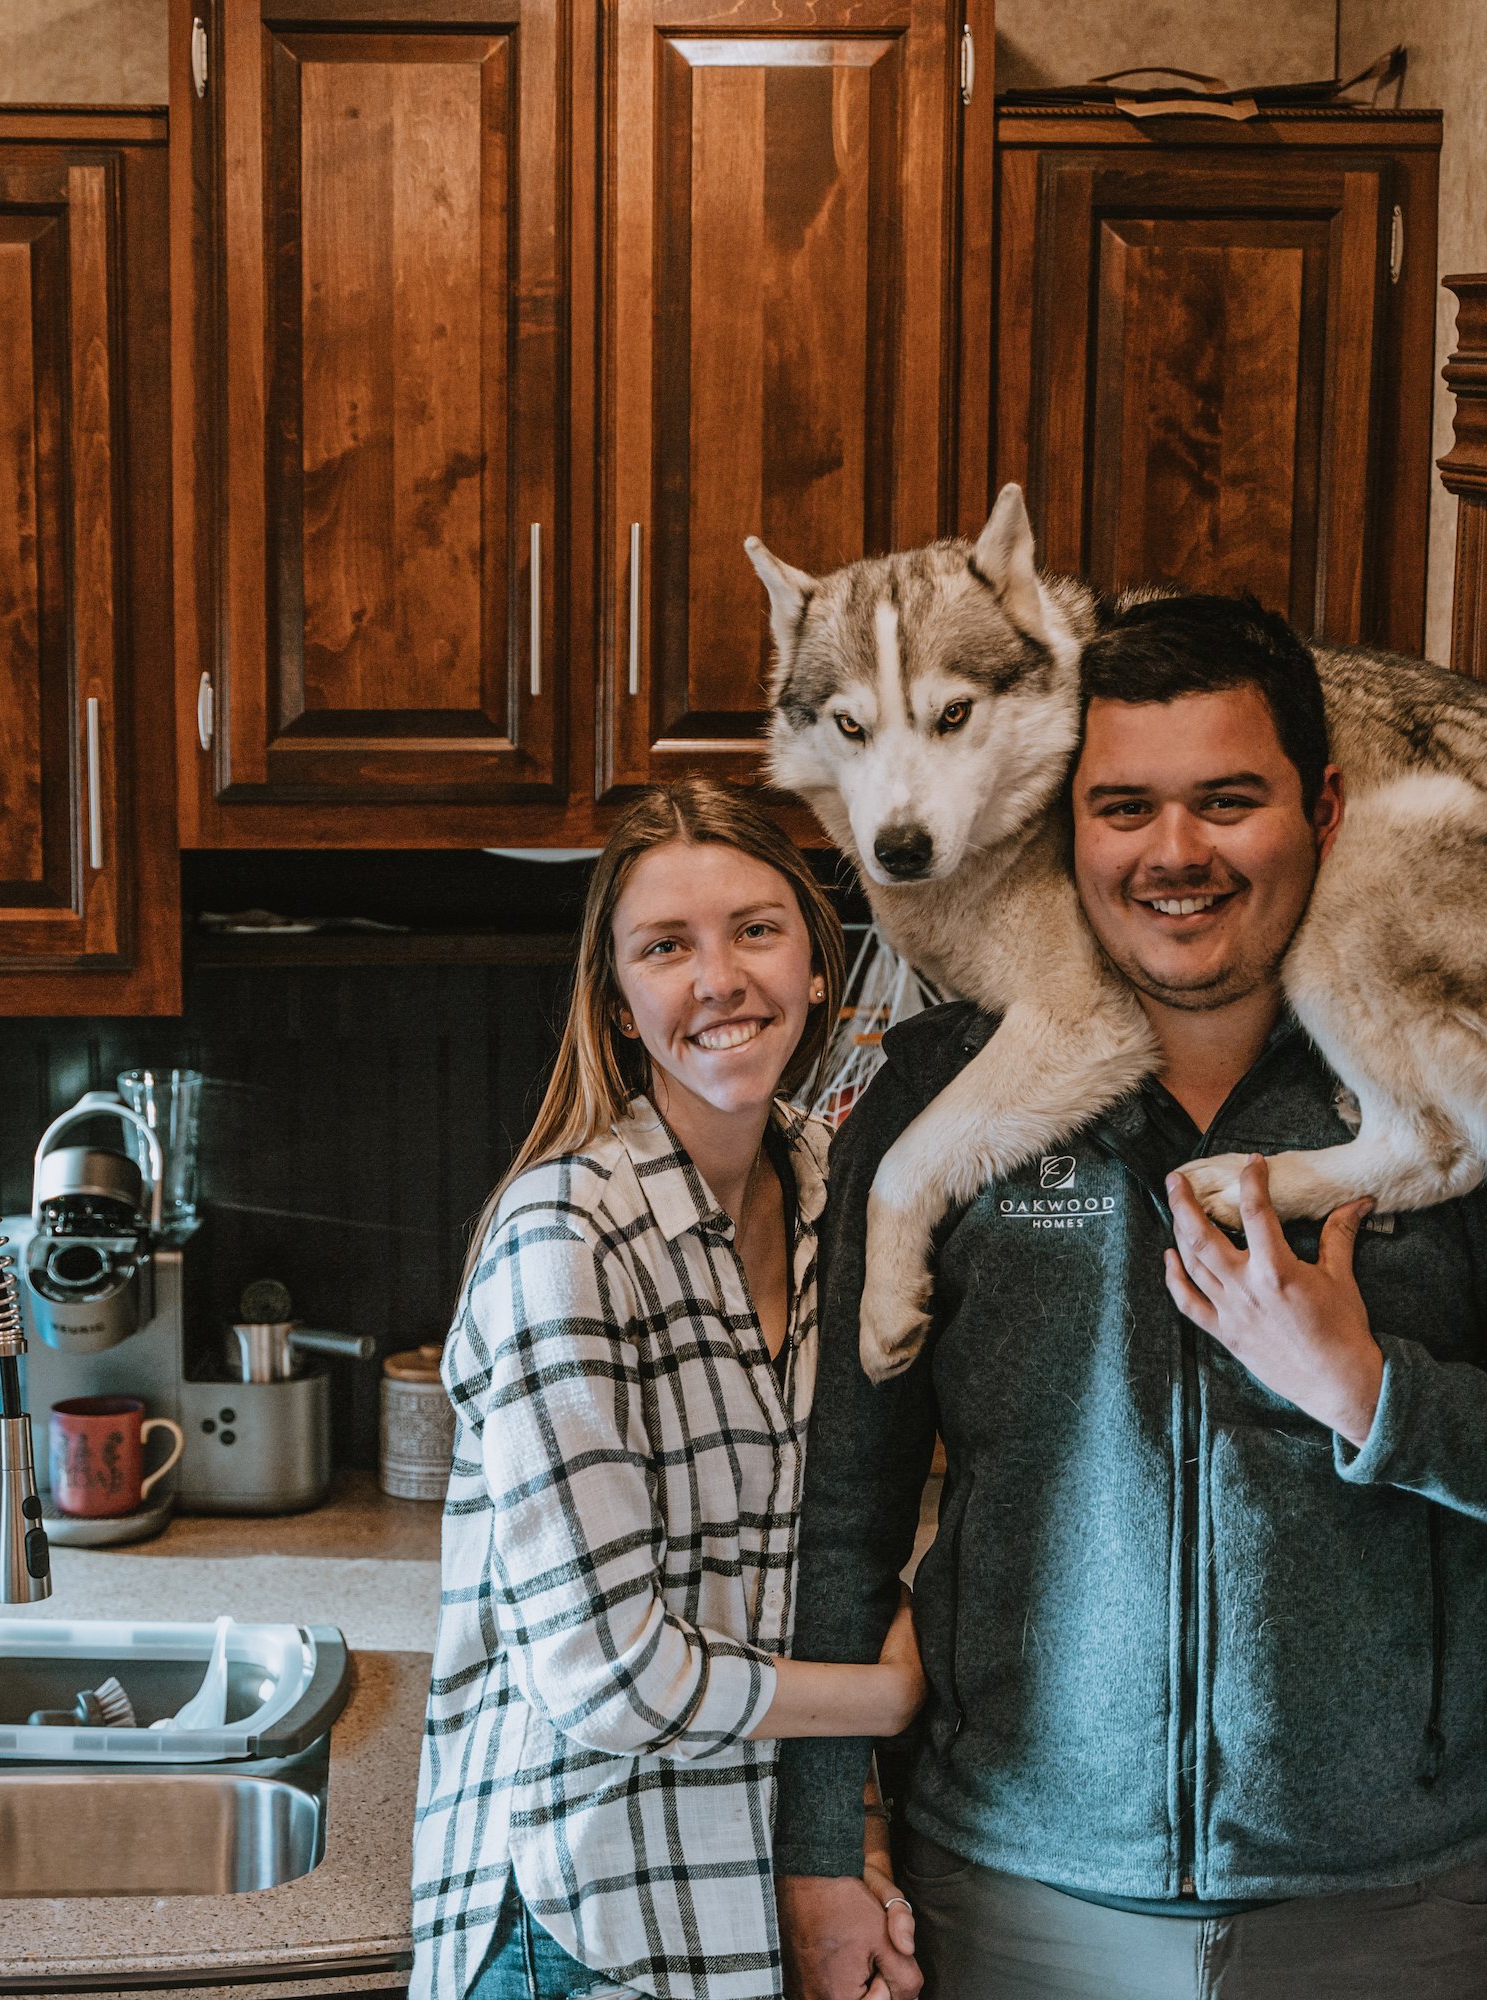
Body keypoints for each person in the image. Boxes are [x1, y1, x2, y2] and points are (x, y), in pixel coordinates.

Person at [772, 595, 1487, 2000]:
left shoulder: (1472, 1104)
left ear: (1323, 810)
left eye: (1228, 801)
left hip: (1391, 1916)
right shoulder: (936, 1102)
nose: (1175, 854)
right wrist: (820, 1849)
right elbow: (840, 1510)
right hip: (1009, 1902)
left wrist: (1373, 1394)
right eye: (1124, 808)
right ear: (1065, 823)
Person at [413, 776, 930, 2000]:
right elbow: (603, 1674)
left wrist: (852, 1836)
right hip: (580, 1922)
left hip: (734, 1905)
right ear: (618, 1000)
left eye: (755, 929)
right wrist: (885, 1695)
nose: (719, 979)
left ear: (818, 962)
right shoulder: (567, 1238)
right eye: (666, 946)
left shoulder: (838, 1191)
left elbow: (812, 1564)